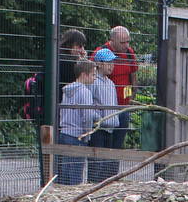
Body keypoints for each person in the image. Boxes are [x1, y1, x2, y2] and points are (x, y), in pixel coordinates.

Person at [94, 25, 138, 153]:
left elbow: (133, 76)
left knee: (117, 147)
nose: (126, 45)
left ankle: (114, 173)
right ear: (112, 40)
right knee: (104, 148)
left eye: (128, 41)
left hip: (123, 107)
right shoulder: (101, 53)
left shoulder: (129, 53)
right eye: (122, 42)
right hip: (106, 110)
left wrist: (132, 97)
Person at [56, 58, 98, 185]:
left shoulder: (67, 90)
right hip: (77, 136)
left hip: (64, 133)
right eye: (93, 74)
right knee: (75, 174)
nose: (95, 78)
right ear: (84, 75)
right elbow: (87, 116)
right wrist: (87, 134)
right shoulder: (85, 92)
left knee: (64, 172)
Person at [87, 47, 123, 182]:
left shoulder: (111, 83)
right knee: (97, 162)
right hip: (98, 128)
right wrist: (99, 119)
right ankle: (93, 186)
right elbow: (88, 104)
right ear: (99, 64)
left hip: (111, 128)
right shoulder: (93, 82)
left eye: (112, 63)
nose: (111, 66)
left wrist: (114, 119)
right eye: (108, 63)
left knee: (107, 163)